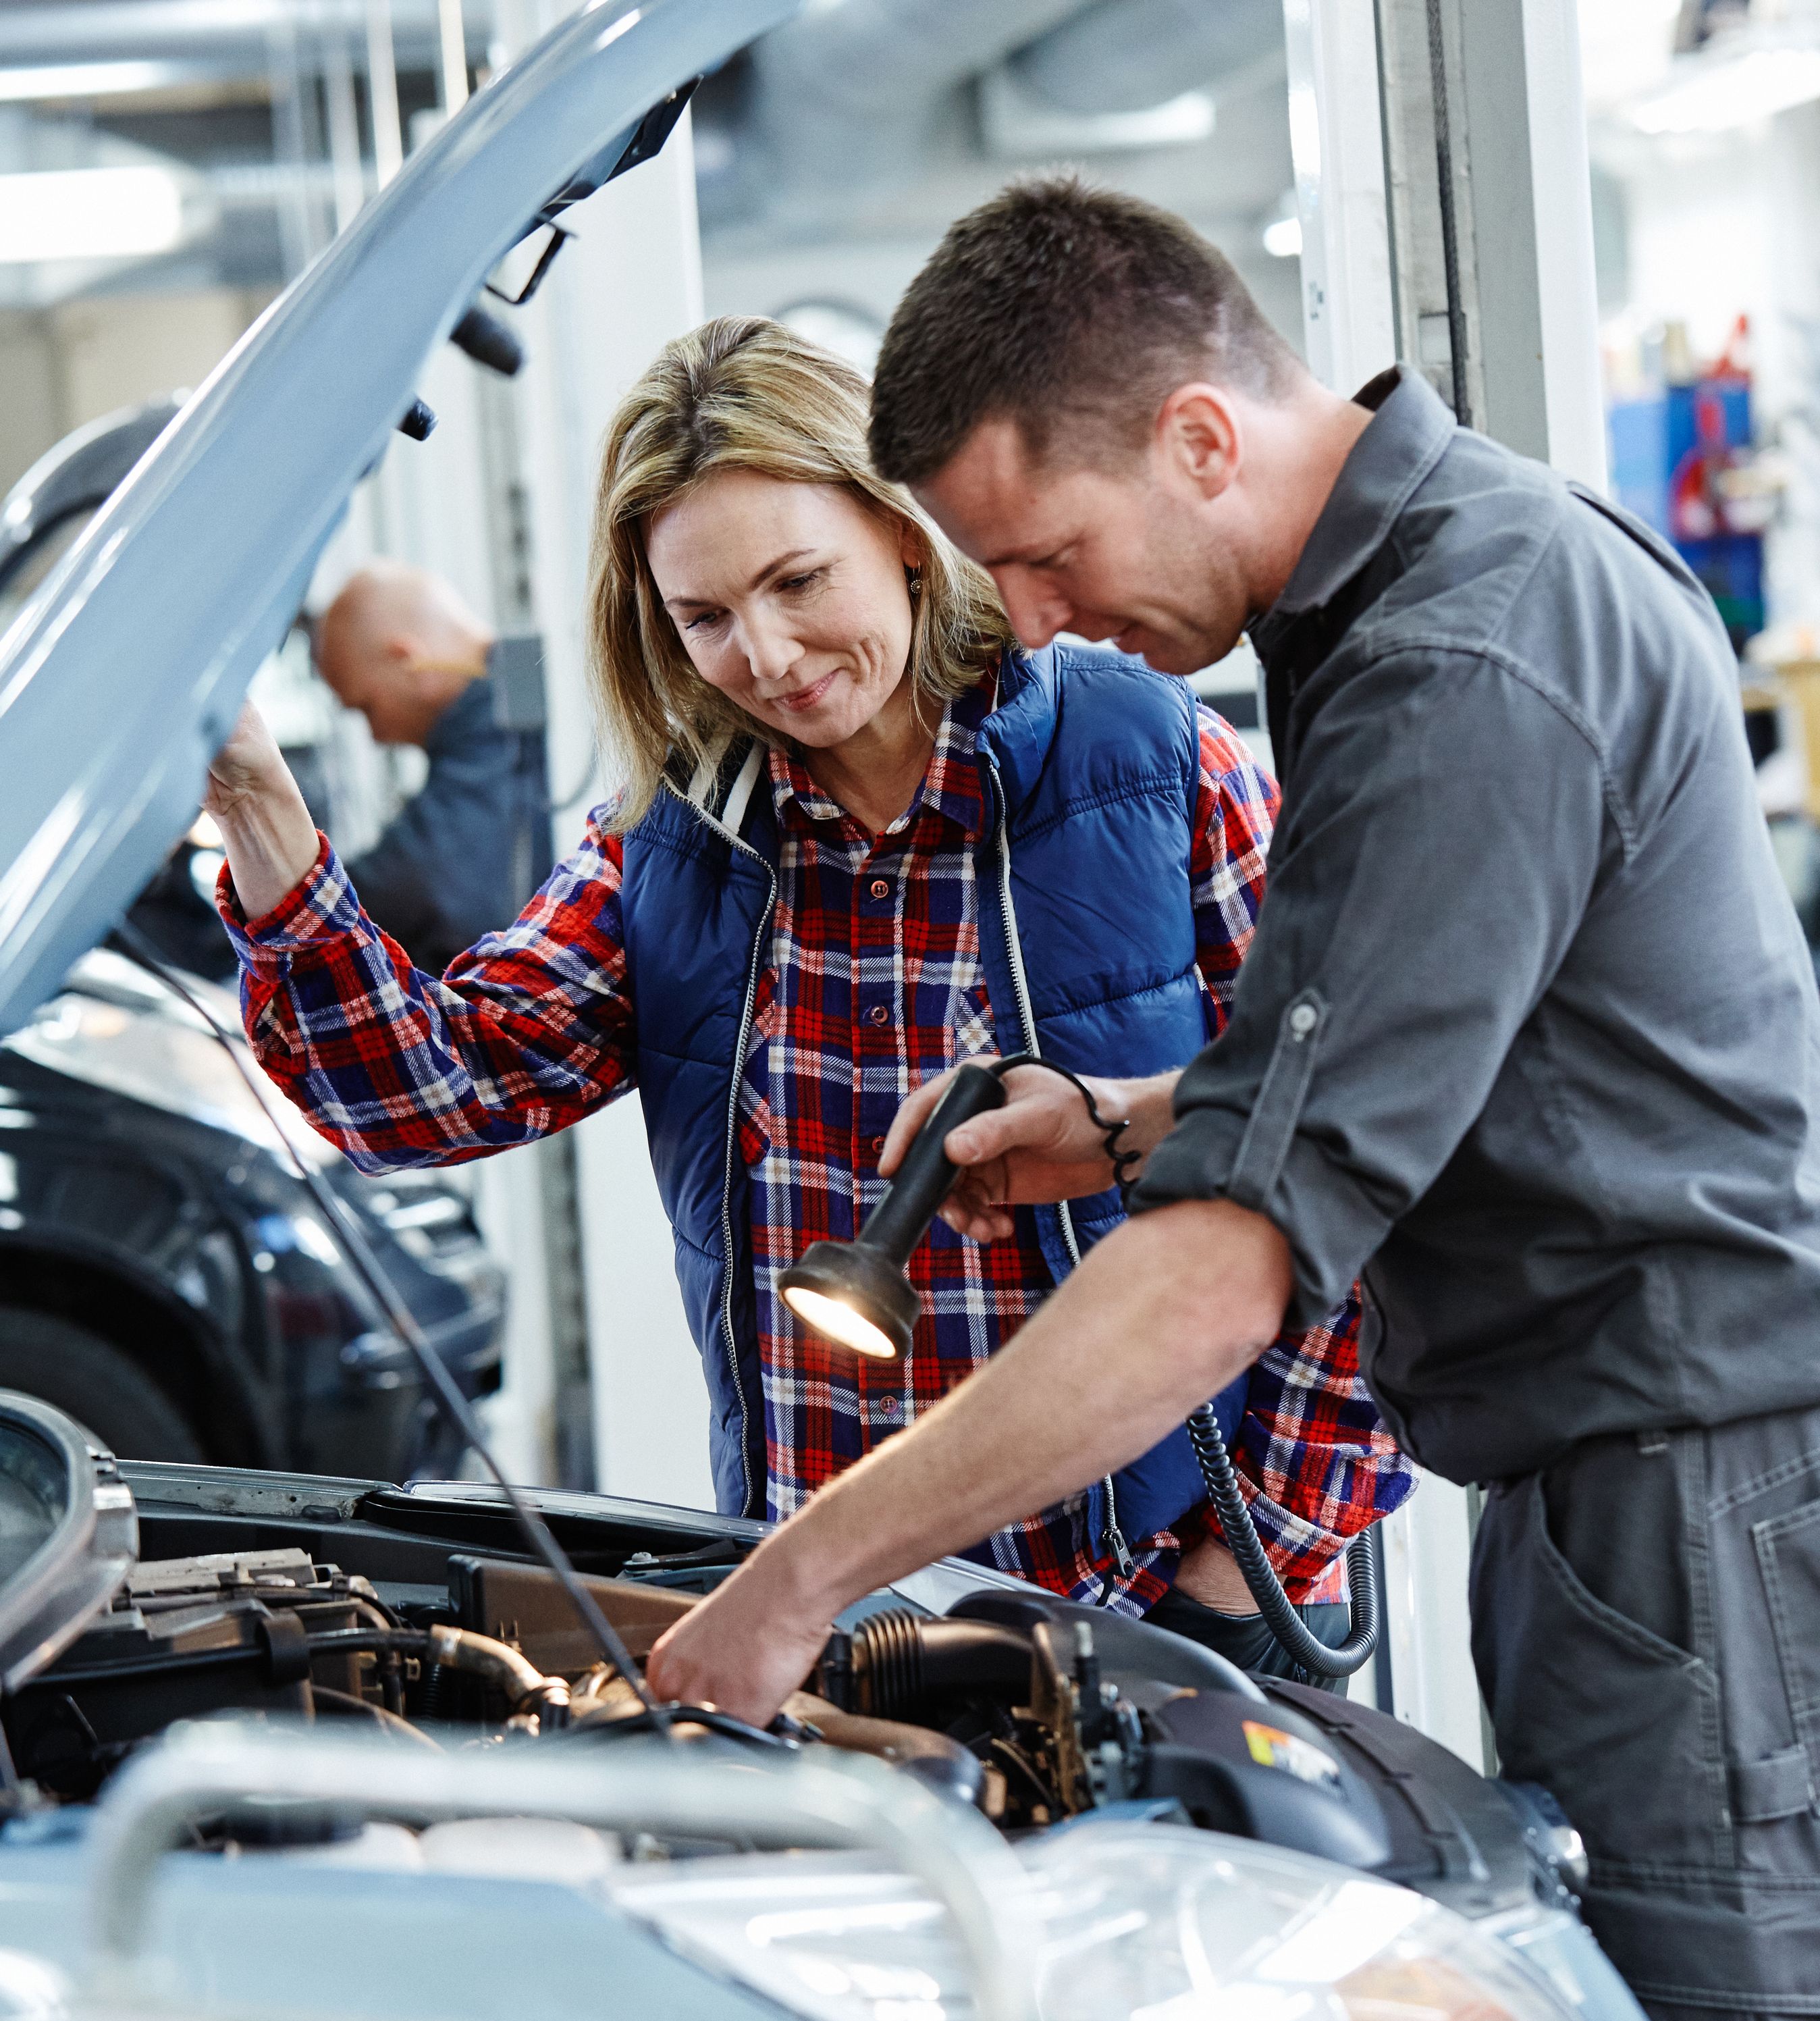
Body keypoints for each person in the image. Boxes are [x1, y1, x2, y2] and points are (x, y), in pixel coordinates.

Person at [643, 182, 1820, 2021]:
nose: (1038, 627)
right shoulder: (1425, 599)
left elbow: (1219, 1281)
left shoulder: (1457, 657)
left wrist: (793, 1582)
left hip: (1694, 1501)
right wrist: (1152, 1111)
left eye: (1045, 554)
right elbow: (1455, 1026)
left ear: (1200, 429)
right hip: (1633, 1496)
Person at [202, 317, 1406, 1667]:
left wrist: (1254, 1565)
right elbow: (428, 1097)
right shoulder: (668, 843)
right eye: (705, 618)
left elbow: (1348, 1169)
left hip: (1142, 1610)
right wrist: (260, 810)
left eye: (796, 582)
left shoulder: (1162, 772)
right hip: (822, 1616)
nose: (766, 658)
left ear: (900, 528)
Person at [315, 562, 552, 971]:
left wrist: (302, 907)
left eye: (366, 708)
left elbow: (429, 886)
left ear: (406, 659)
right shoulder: (502, 706)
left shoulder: (504, 729)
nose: (375, 737)